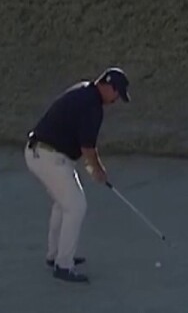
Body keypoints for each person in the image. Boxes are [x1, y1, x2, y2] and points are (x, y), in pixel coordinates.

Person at [24, 67, 131, 284]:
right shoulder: (92, 107)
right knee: (76, 206)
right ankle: (63, 265)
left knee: (63, 204)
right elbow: (88, 149)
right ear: (107, 86)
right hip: (47, 156)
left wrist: (93, 170)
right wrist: (97, 172)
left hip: (39, 153)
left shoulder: (84, 90)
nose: (116, 98)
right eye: (117, 93)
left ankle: (55, 256)